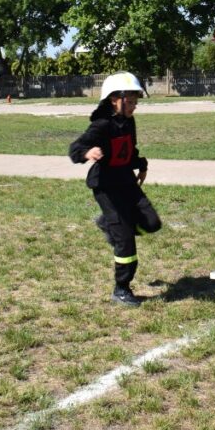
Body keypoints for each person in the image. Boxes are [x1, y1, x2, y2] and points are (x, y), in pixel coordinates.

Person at [69, 72, 162, 306]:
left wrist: (141, 165)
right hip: (106, 186)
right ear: (114, 100)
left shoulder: (128, 122)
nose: (133, 106)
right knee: (126, 241)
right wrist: (86, 153)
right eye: (129, 102)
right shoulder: (101, 125)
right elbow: (76, 148)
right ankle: (121, 288)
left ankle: (107, 222)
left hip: (126, 181)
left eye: (135, 102)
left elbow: (129, 150)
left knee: (152, 223)